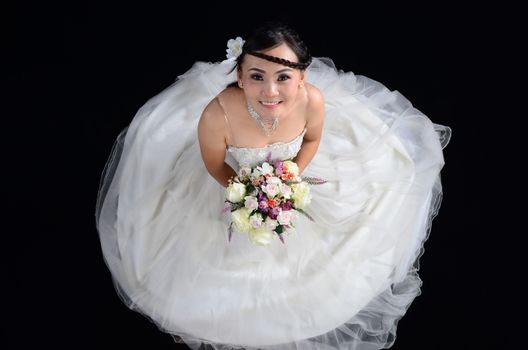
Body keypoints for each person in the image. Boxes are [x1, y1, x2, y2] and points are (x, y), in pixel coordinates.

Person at [95, 22, 451, 350]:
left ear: (301, 77)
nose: (270, 90)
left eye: (283, 77)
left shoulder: (312, 100)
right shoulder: (216, 115)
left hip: (288, 175)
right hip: (235, 180)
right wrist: (247, 193)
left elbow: (311, 141)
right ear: (239, 75)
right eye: (256, 76)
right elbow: (214, 164)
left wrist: (289, 178)